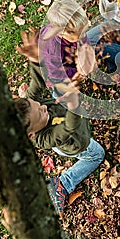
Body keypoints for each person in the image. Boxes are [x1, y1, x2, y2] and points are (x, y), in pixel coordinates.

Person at [14, 78, 105, 217]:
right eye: (40, 113)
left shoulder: (33, 107)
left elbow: (38, 79)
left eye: (37, 104)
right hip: (76, 142)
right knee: (97, 155)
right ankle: (63, 184)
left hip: (62, 109)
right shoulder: (44, 139)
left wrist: (38, 60)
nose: (43, 107)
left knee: (57, 87)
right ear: (31, 134)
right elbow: (69, 126)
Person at [16, 0, 96, 100]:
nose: (83, 35)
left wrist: (86, 51)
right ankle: (57, 93)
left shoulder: (75, 31)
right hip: (57, 74)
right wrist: (78, 72)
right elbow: (57, 74)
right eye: (80, 34)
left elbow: (84, 40)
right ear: (61, 33)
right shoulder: (52, 51)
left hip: (70, 55)